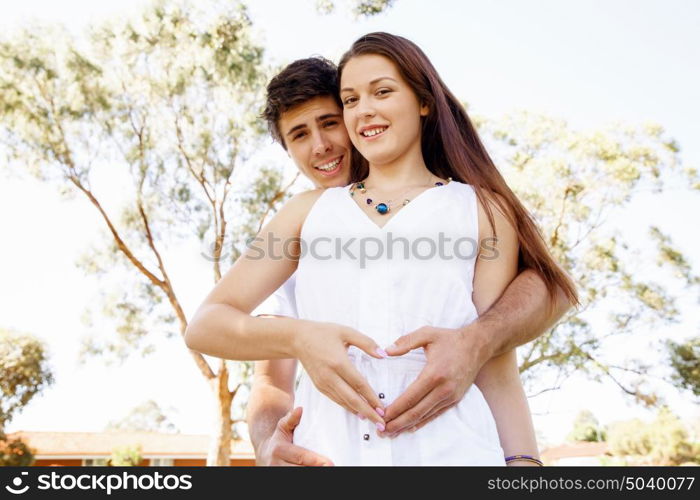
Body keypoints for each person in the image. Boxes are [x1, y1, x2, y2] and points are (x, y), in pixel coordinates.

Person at [185, 34, 577, 465]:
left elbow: (496, 362)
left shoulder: (480, 209)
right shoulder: (304, 215)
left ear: (423, 101)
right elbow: (218, 334)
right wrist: (298, 344)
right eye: (351, 100)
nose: (323, 143)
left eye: (382, 92)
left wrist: (524, 464)